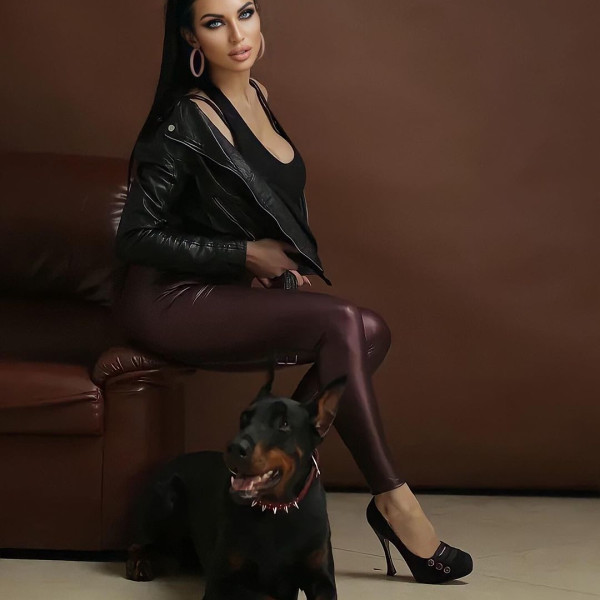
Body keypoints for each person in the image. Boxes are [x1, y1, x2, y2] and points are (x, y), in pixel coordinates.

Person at [114, 0, 473, 584]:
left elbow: (234, 204)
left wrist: (259, 264)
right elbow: (136, 235)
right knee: (342, 322)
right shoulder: (185, 119)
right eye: (214, 23)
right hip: (168, 300)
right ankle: (395, 503)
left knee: (370, 331)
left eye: (245, 13)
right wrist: (243, 255)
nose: (237, 34)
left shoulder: (257, 96)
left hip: (217, 287)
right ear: (191, 39)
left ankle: (277, 468)